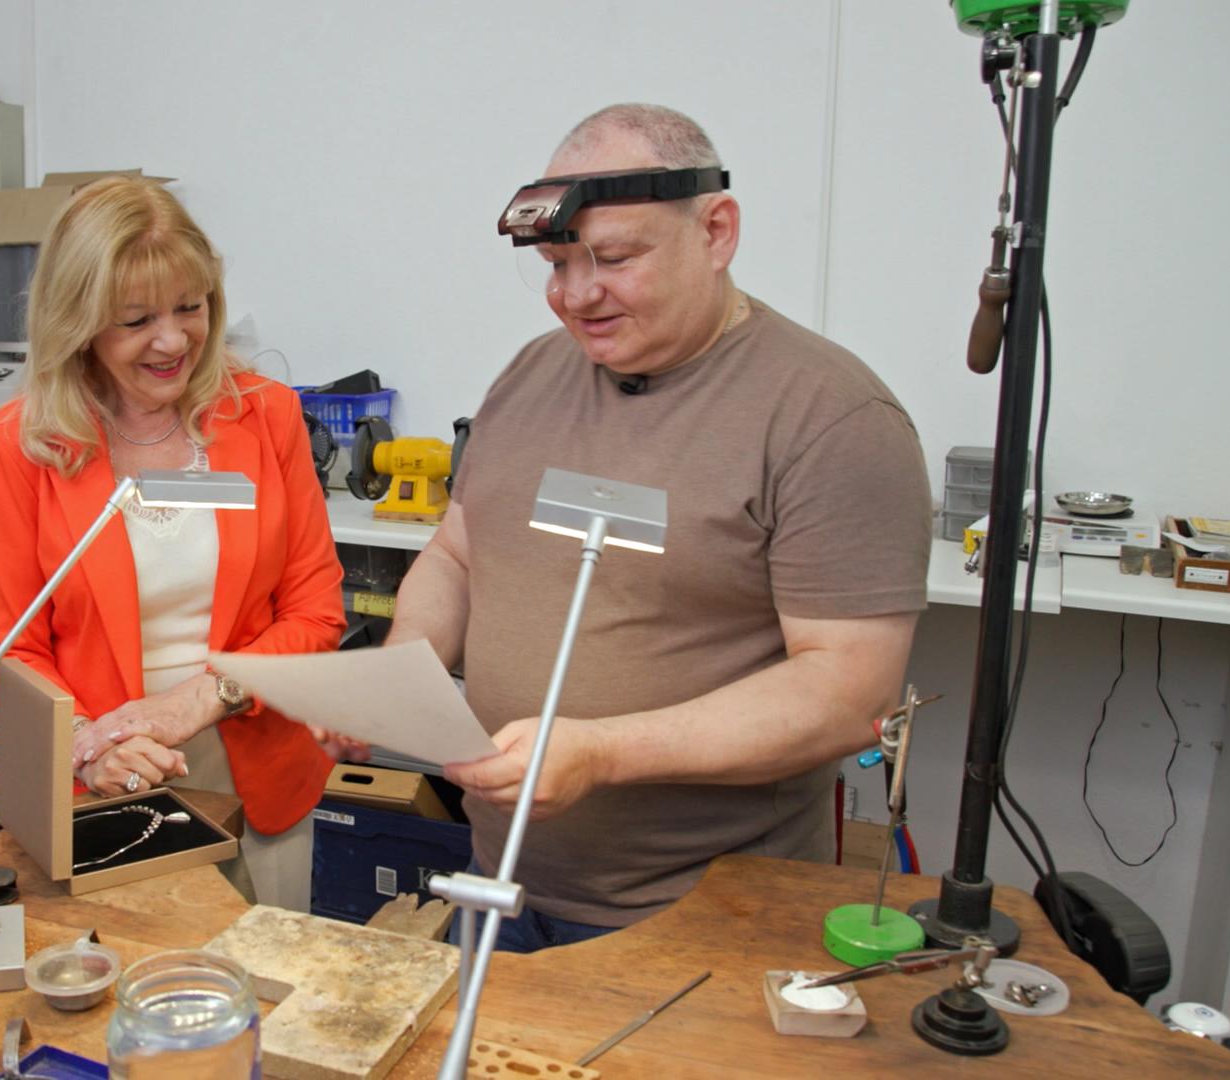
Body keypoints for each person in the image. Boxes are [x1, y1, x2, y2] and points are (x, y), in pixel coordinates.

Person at [379, 103, 932, 950]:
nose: (573, 295)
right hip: (499, 885)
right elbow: (457, 553)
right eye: (558, 263)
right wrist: (403, 677)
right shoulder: (532, 374)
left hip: (708, 918)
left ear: (716, 232)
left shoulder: (832, 417)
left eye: (614, 258)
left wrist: (602, 752)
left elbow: (848, 696)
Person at [0, 176, 344, 911]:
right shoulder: (22, 445)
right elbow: (9, 648)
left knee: (262, 992)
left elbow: (315, 611)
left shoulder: (264, 415)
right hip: (111, 776)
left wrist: (200, 700)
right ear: (77, 320)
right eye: (136, 318)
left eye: (191, 307)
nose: (173, 340)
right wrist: (90, 742)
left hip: (258, 759)